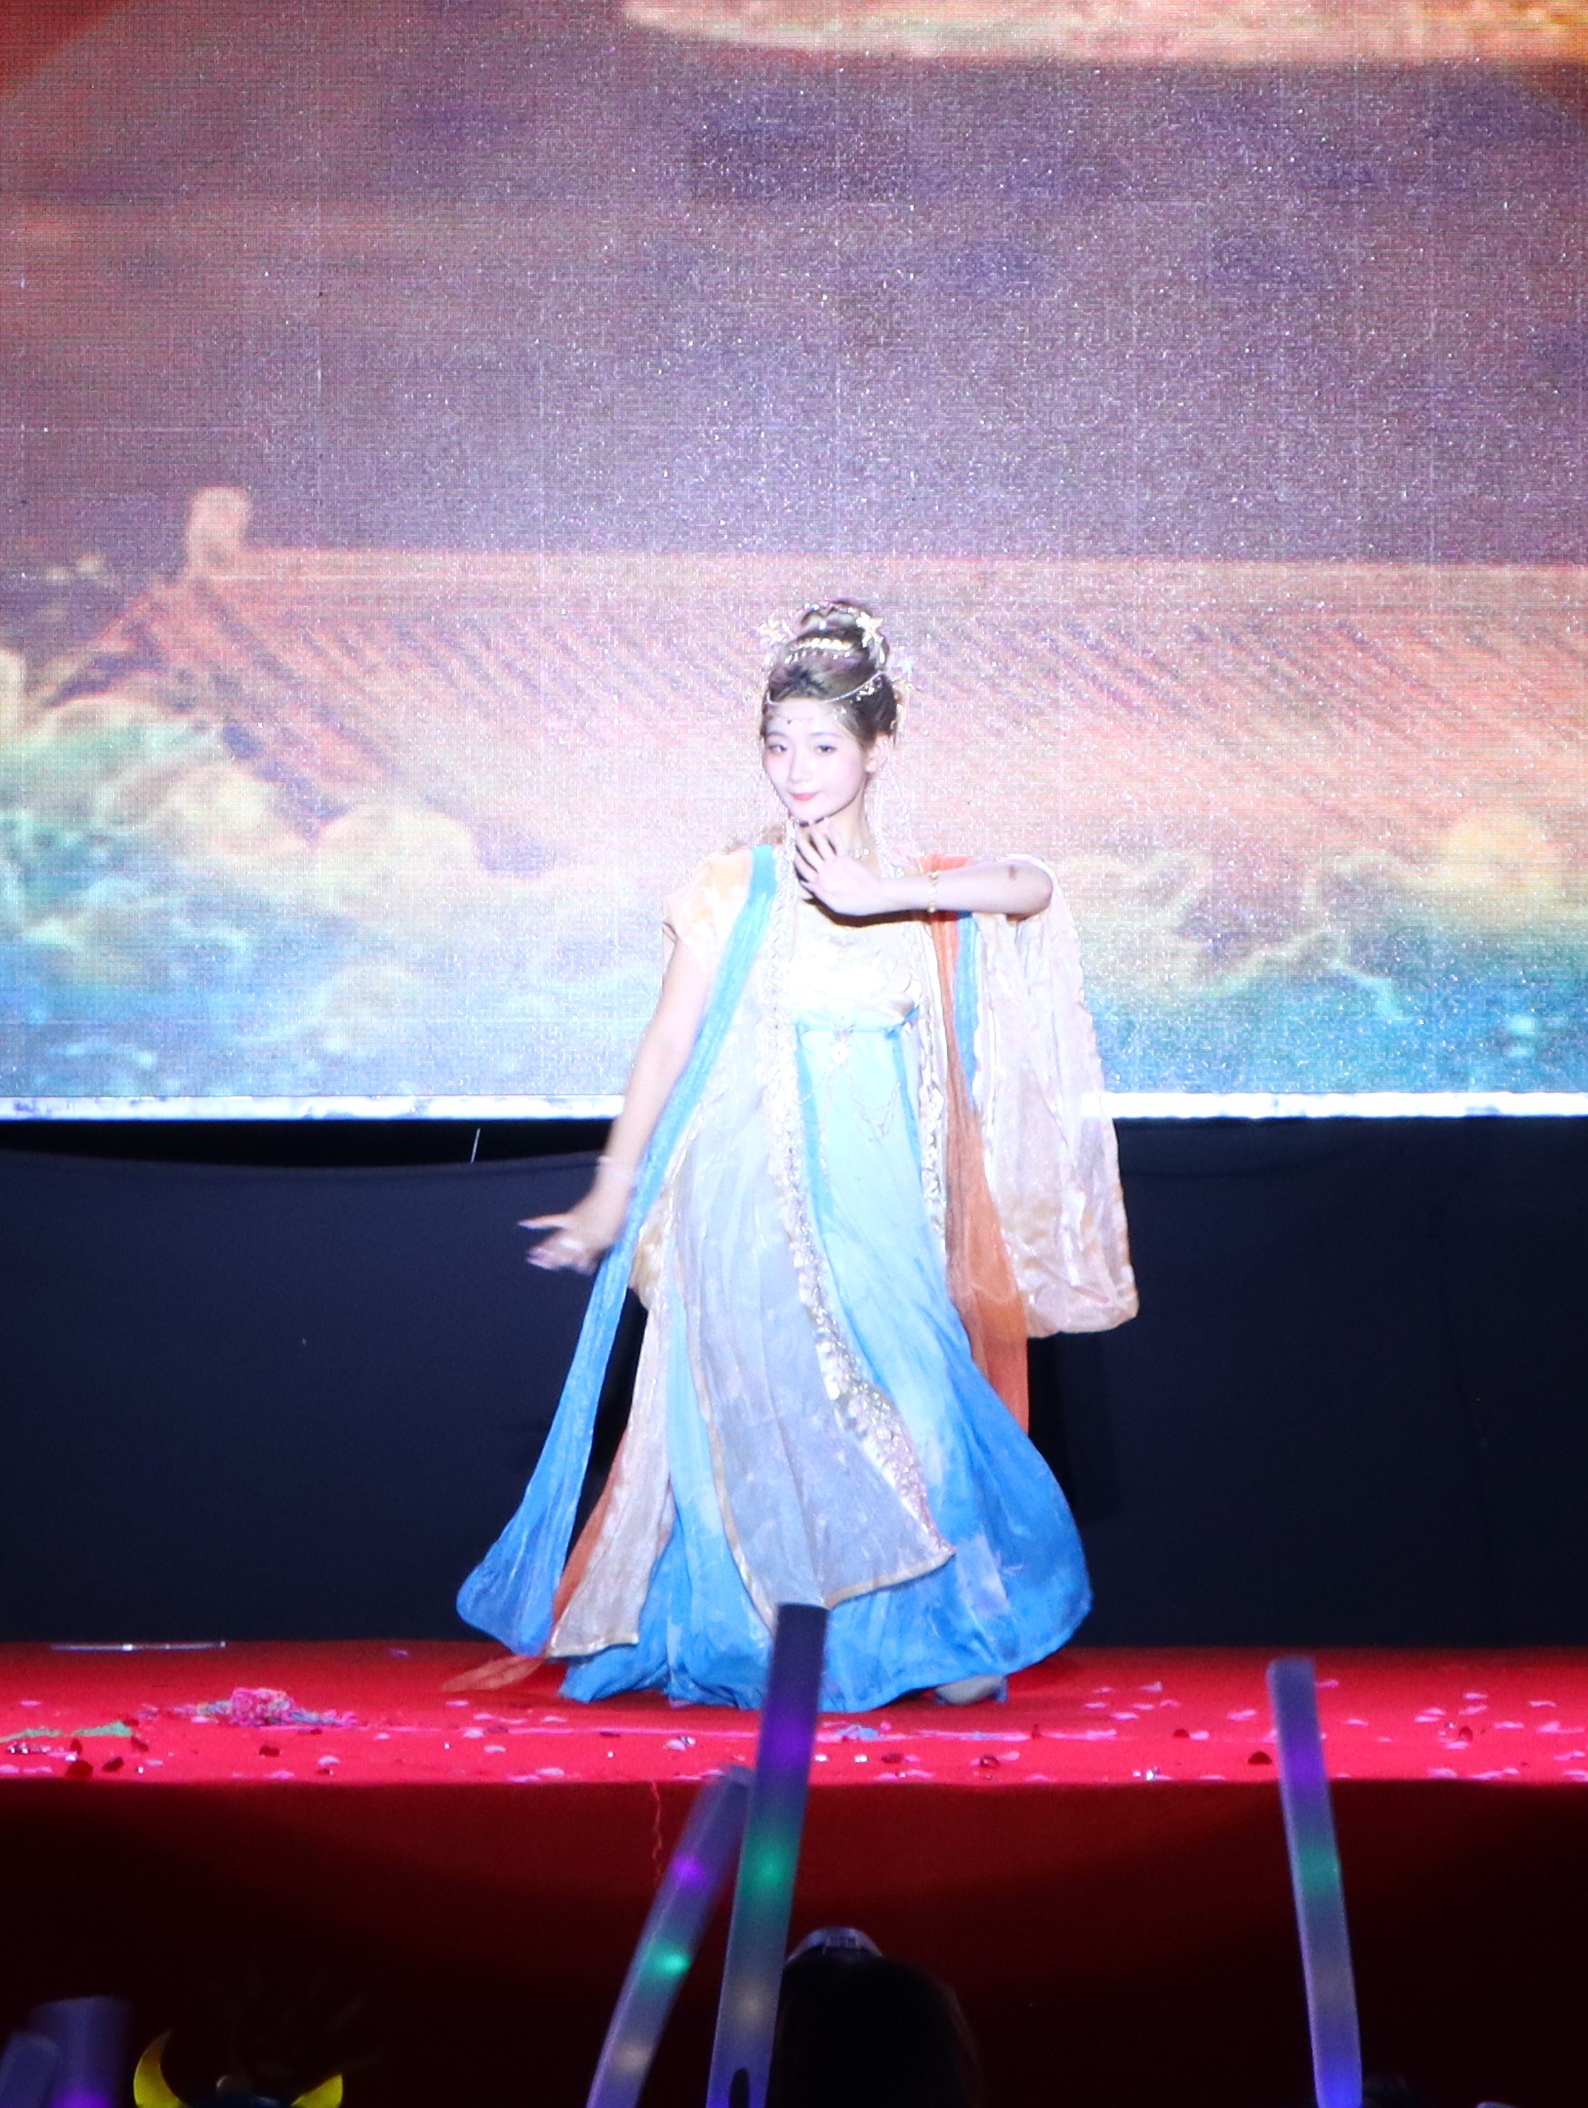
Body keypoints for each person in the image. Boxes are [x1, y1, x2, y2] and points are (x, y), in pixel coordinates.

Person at [455, 598, 1131, 1714]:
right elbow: (667, 1040)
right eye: (779, 745)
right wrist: (611, 1190)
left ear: (878, 749)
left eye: (823, 745)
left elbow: (1036, 885)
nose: (797, 769)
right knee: (772, 1412)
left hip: (882, 1204)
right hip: (746, 1195)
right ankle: (778, 1630)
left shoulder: (917, 886)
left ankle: (938, 1621)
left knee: (920, 1395)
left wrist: (890, 895)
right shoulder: (735, 883)